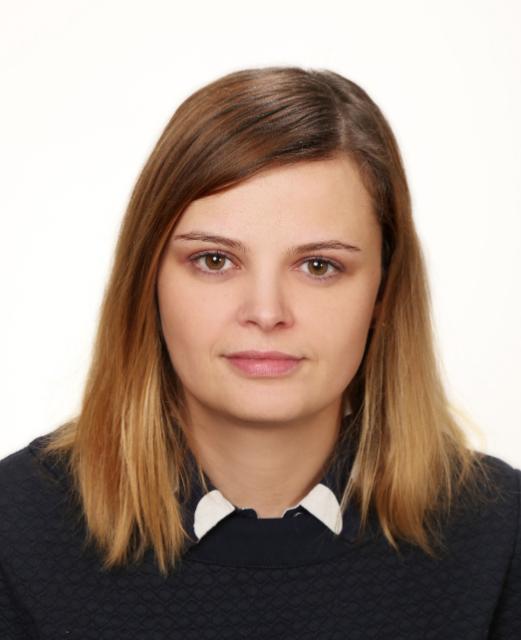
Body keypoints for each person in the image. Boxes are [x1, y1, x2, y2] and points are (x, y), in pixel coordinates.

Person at [0, 66, 519, 638]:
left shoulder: (501, 539)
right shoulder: (15, 532)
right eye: (215, 260)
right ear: (148, 280)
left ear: (384, 292)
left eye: (319, 266)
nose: (267, 312)